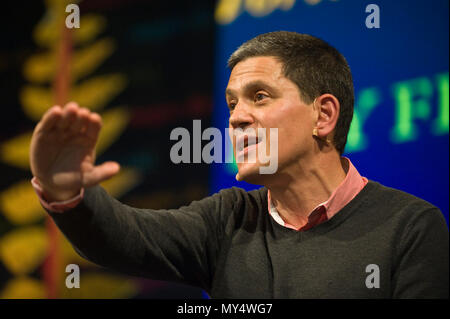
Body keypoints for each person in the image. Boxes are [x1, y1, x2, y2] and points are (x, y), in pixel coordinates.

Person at [30, 31, 448, 298]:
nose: (236, 117)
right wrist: (65, 190)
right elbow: (126, 237)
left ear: (323, 116)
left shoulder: (409, 227)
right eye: (232, 103)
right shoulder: (228, 220)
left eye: (259, 96)